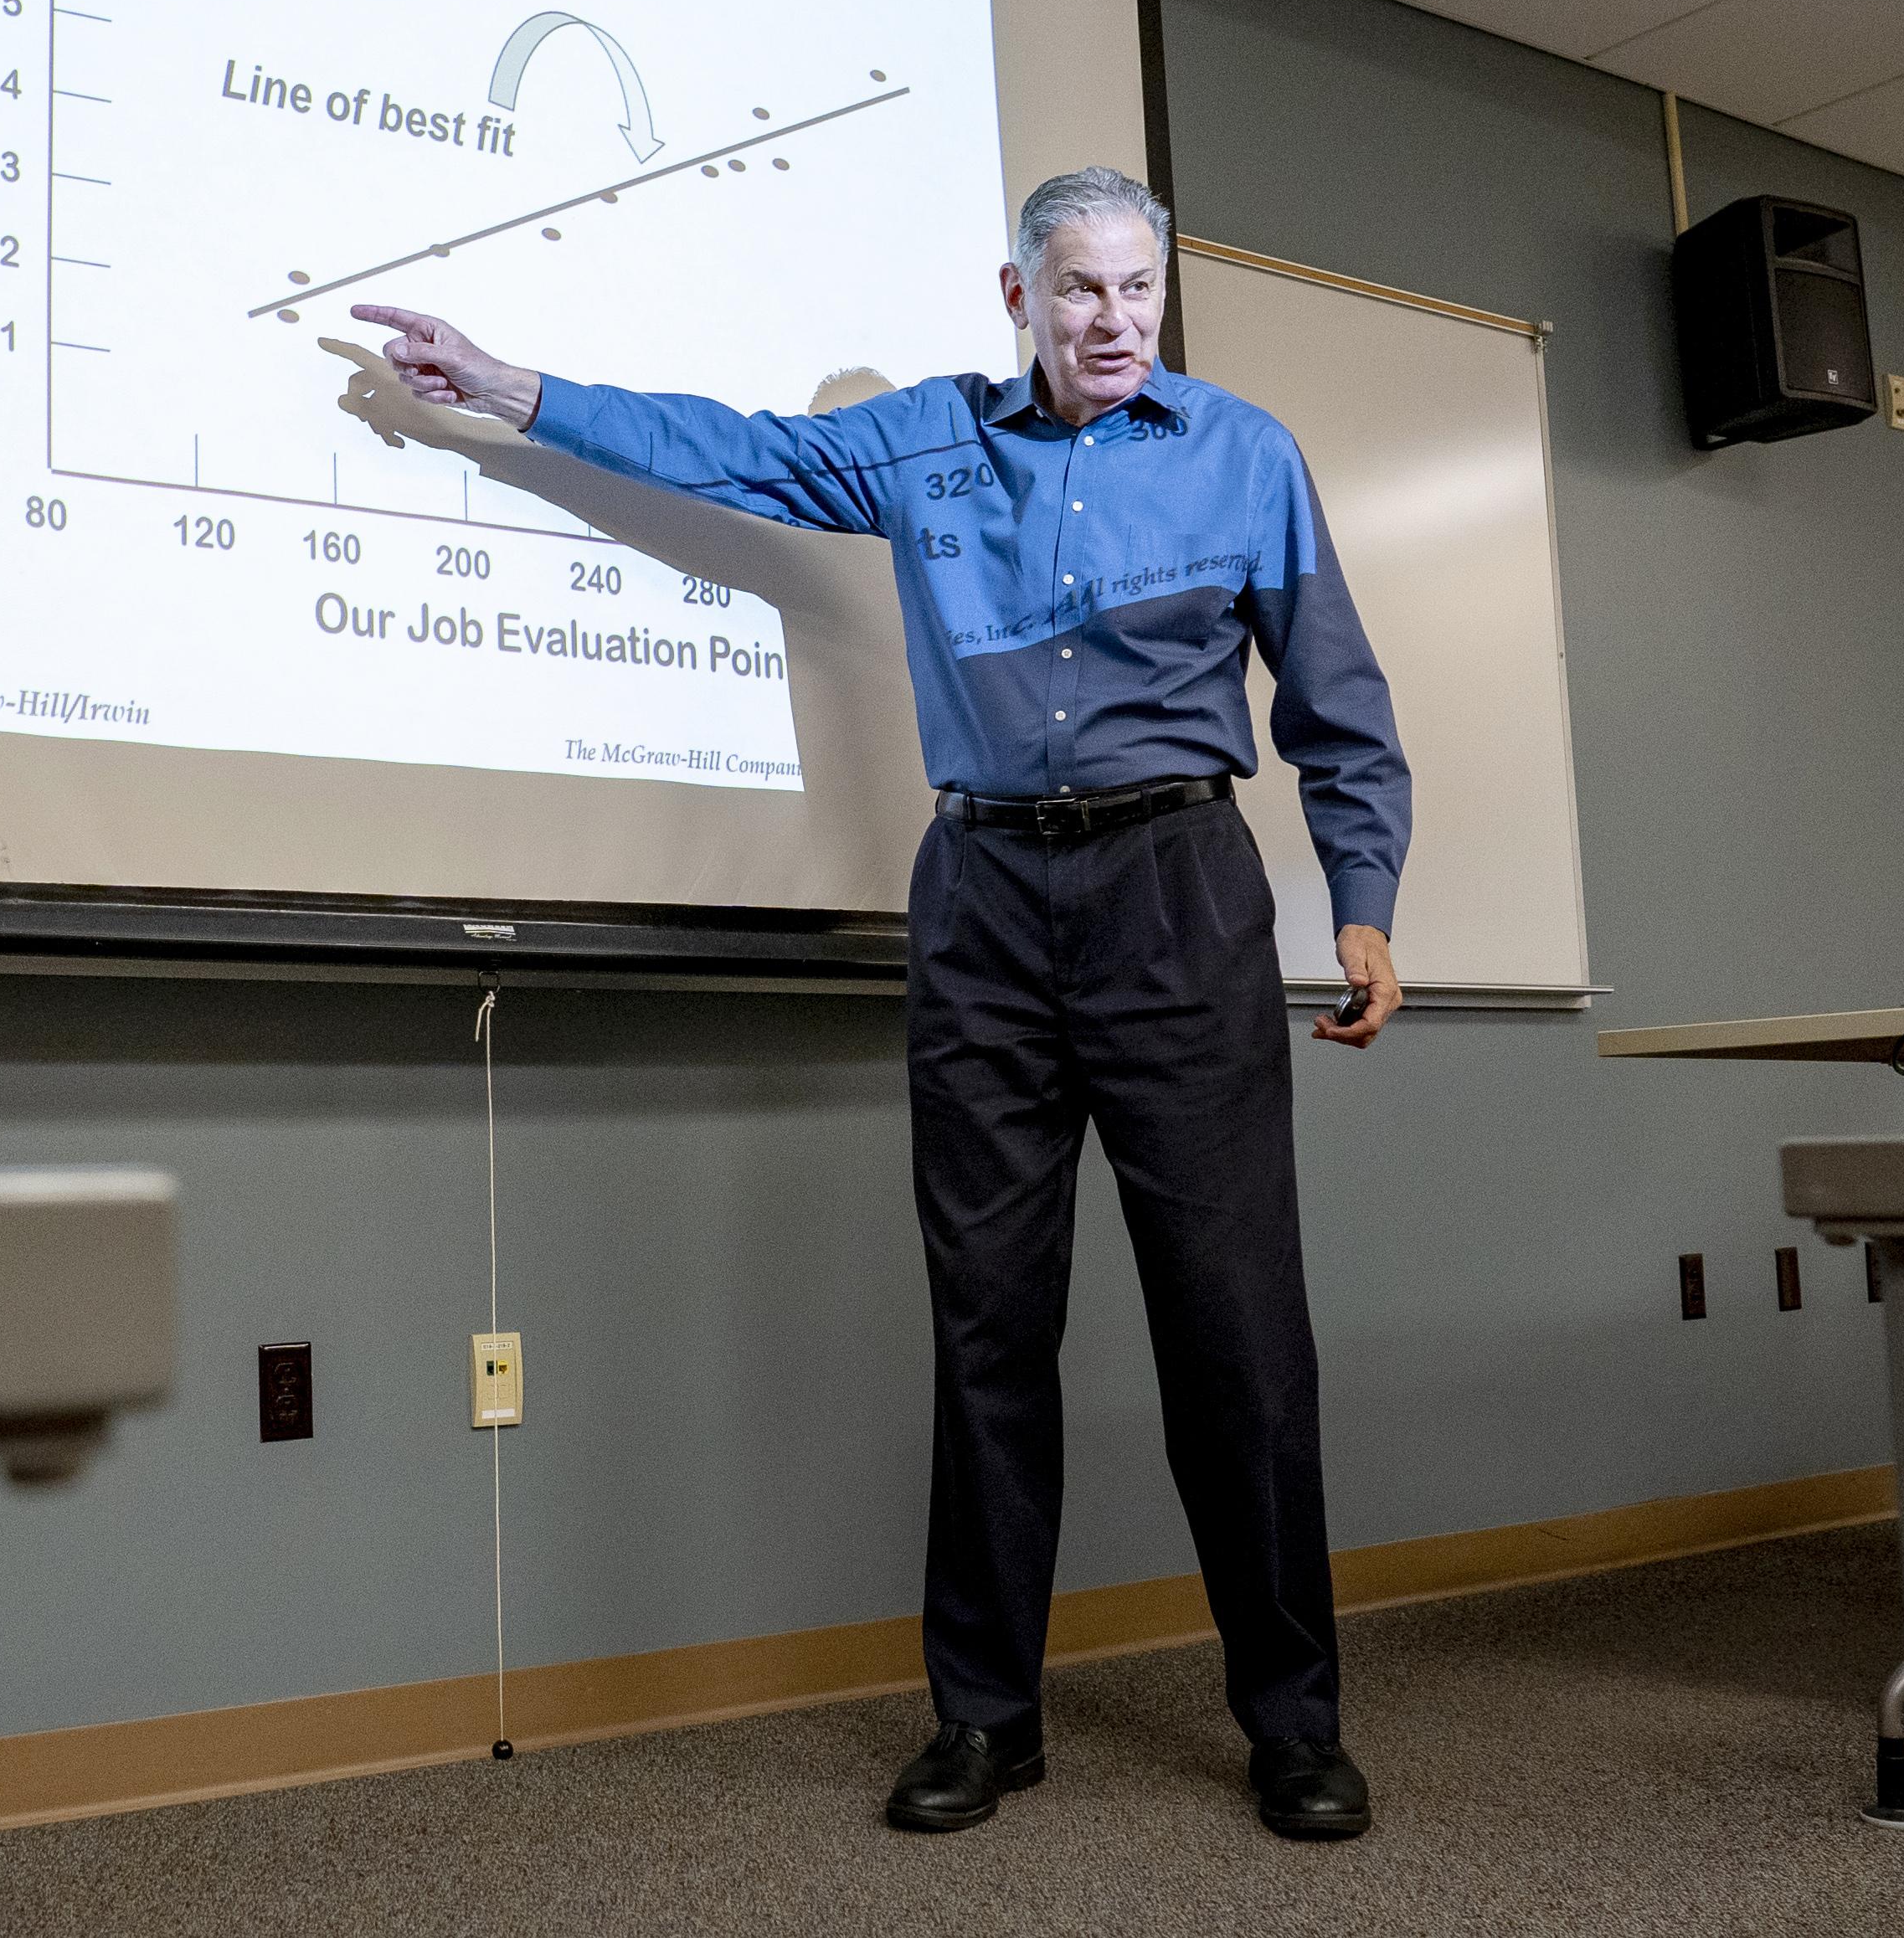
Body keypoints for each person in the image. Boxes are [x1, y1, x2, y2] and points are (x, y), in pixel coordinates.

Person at [353, 165, 1407, 1845]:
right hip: (983, 895)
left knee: (1238, 1332)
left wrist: (1361, 901)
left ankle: (1293, 1723)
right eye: (1082, 289)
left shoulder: (1244, 453)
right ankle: (985, 1719)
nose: (1116, 320)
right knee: (988, 1326)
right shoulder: (928, 441)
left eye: (1138, 287)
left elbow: (1337, 700)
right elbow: (728, 450)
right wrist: (507, 388)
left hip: (1177, 892)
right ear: (1018, 297)